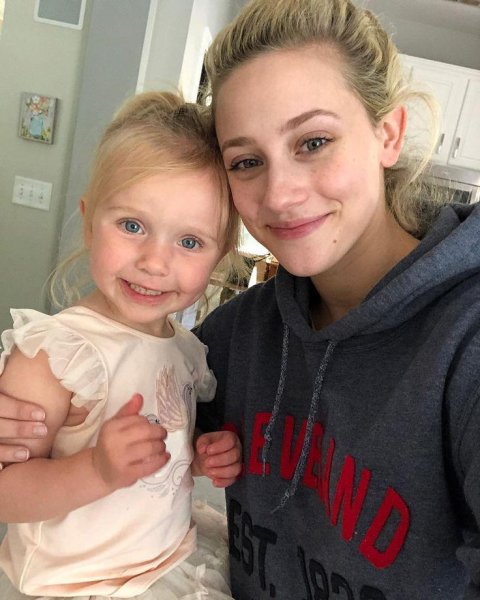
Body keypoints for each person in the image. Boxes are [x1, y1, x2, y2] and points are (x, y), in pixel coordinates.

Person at [1, 0, 480, 598]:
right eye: (247, 161)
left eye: (314, 141)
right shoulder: (231, 337)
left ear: (389, 133)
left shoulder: (466, 339)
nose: (280, 194)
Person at [0, 90, 243, 599]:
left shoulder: (186, 351)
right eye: (132, 226)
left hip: (164, 563)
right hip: (74, 585)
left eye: (189, 242)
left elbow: (164, 457)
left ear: (219, 255)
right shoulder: (55, 352)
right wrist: (95, 469)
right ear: (90, 221)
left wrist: (197, 456)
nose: (154, 262)